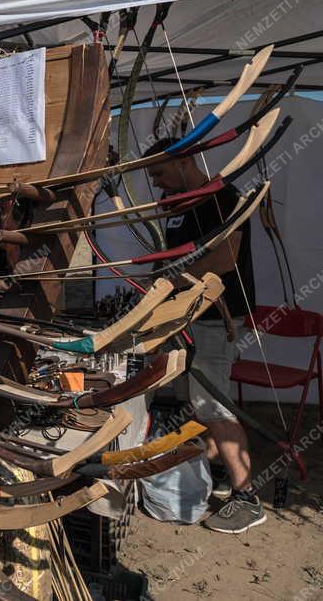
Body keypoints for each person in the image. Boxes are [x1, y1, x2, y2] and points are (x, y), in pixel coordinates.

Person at [145, 137, 263, 534]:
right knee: (196, 399)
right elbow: (177, 257)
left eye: (160, 172)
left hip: (218, 316)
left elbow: (225, 257)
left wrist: (171, 281)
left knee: (213, 404)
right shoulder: (179, 206)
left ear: (186, 160)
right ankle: (213, 461)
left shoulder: (222, 197)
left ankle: (247, 497)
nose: (157, 182)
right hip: (190, 316)